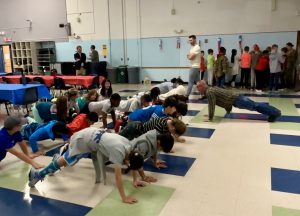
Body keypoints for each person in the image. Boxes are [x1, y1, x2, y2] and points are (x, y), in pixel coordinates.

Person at [28, 128, 172, 204]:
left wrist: (136, 180)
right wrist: (124, 198)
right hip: (84, 139)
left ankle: (57, 160)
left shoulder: (129, 147)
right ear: (128, 162)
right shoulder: (119, 152)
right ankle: (38, 174)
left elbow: (135, 162)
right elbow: (118, 179)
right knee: (67, 162)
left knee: (67, 162)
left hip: (93, 135)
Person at [196, 80, 281, 122]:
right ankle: (273, 113)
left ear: (202, 86)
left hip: (237, 100)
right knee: (255, 106)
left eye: (198, 87)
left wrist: (210, 118)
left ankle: (275, 112)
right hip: (236, 99)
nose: (197, 89)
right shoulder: (210, 89)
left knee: (255, 106)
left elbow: (212, 104)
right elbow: (218, 98)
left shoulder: (209, 91)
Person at [120, 117, 186, 142]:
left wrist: (177, 138)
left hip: (139, 126)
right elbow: (153, 143)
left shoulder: (170, 121)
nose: (175, 135)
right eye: (176, 134)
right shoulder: (160, 127)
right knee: (120, 140)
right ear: (173, 128)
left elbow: (171, 132)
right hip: (134, 129)